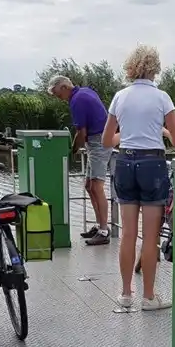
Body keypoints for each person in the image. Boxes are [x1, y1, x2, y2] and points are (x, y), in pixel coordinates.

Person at [102, 45, 175, 311]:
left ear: (131, 68)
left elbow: (107, 141)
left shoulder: (120, 97)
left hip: (125, 162)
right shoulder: (162, 98)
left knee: (128, 234)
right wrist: (161, 131)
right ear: (155, 68)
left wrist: (126, 137)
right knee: (149, 237)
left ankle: (125, 294)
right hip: (153, 165)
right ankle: (149, 297)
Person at [47, 75, 111, 246]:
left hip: (99, 142)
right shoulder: (85, 91)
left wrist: (72, 151)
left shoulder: (76, 100)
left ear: (63, 87)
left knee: (97, 186)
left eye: (57, 94)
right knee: (89, 185)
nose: (58, 98)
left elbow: (80, 133)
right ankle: (99, 226)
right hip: (98, 140)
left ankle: (104, 231)